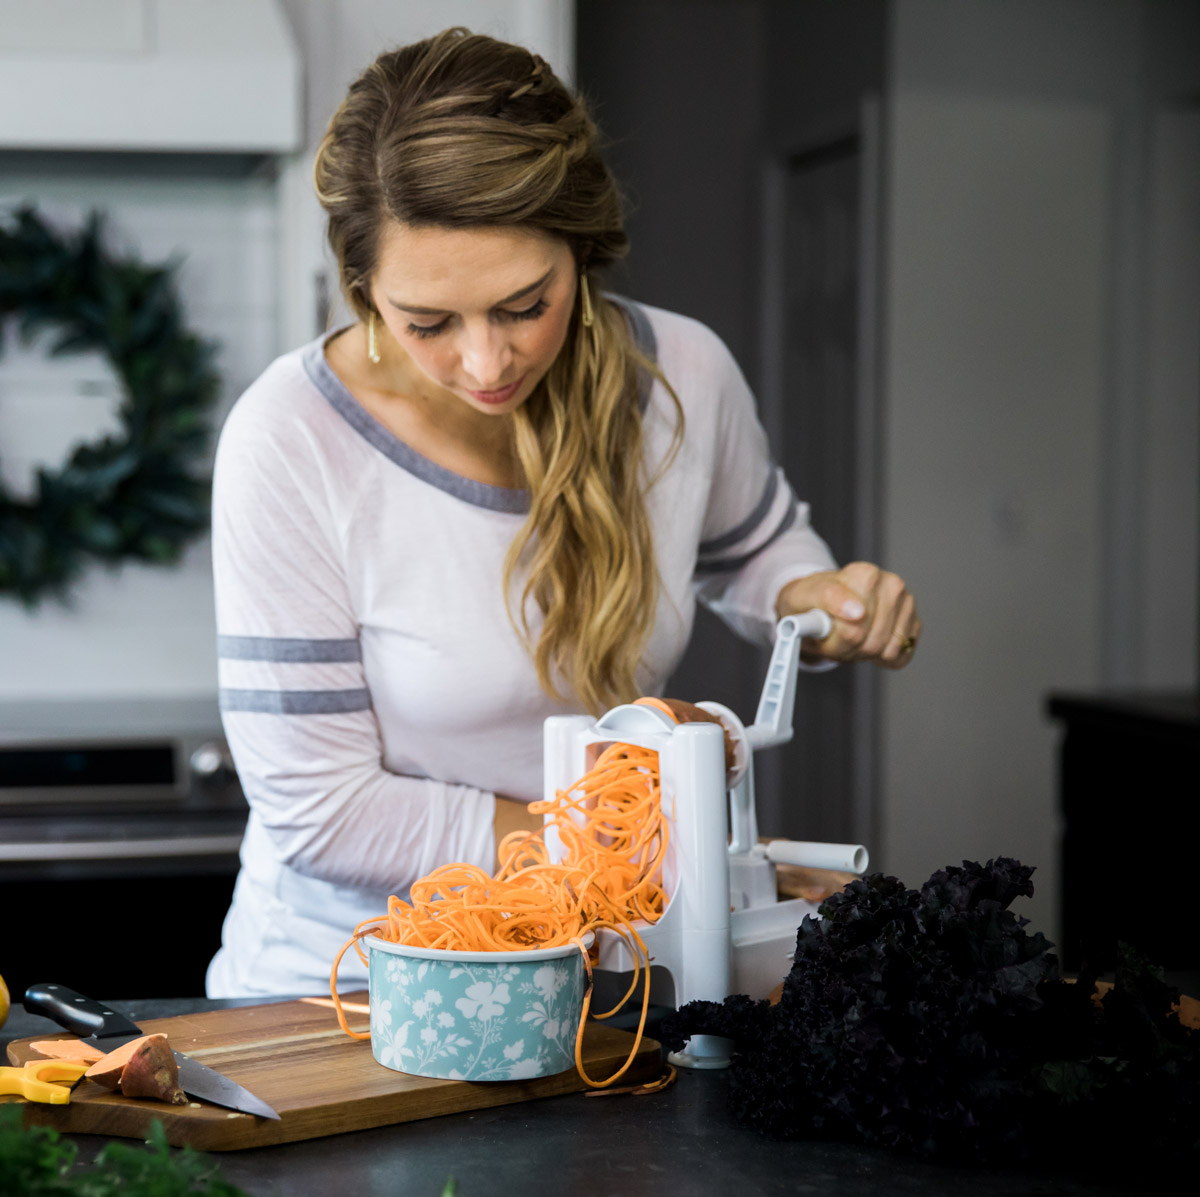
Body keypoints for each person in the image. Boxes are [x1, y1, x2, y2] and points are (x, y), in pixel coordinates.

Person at [205, 28, 921, 999]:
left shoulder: (682, 378)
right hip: (350, 992)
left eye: (523, 304)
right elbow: (322, 813)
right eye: (428, 325)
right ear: (364, 290)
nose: (486, 364)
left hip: (608, 978)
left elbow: (752, 551)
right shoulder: (291, 441)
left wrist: (816, 598)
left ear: (580, 253)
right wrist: (645, 852)